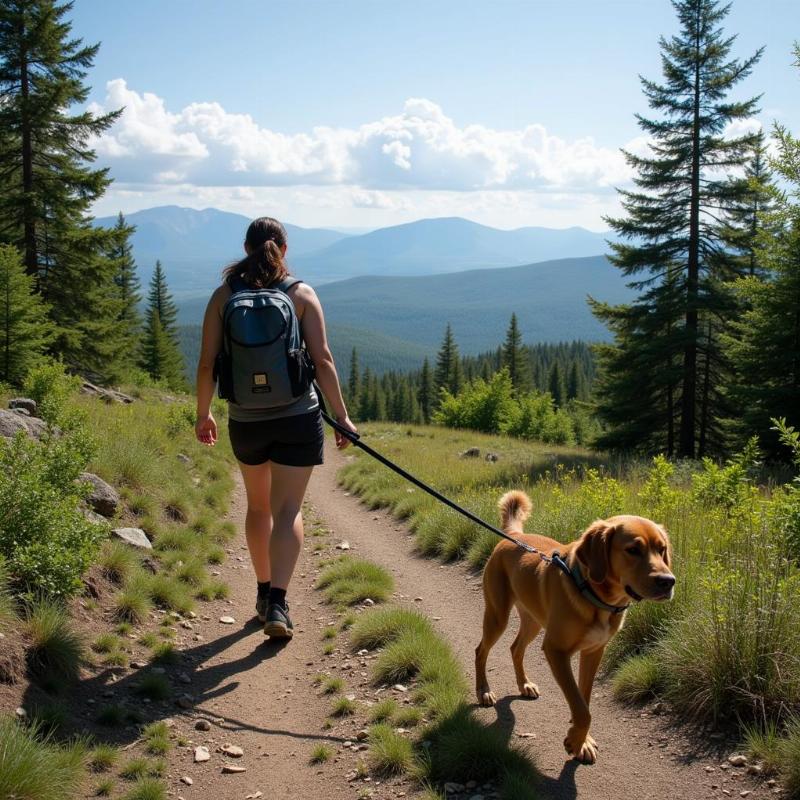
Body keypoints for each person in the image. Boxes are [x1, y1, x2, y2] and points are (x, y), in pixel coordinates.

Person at [194, 216, 357, 639]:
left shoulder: (222, 296)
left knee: (258, 507)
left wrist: (203, 413)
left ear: (246, 248)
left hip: (246, 419)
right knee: (288, 511)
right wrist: (342, 416)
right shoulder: (300, 293)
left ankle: (263, 592)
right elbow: (323, 360)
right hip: (298, 417)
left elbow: (208, 363)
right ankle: (280, 605)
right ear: (283, 250)